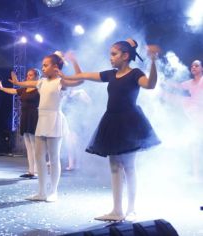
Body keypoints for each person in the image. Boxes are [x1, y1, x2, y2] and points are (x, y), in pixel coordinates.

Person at [59, 39, 161, 221]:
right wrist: (66, 69)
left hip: (129, 122)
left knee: (129, 167)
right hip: (112, 120)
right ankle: (117, 210)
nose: (110, 58)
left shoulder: (135, 73)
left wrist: (153, 61)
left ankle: (130, 209)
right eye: (110, 54)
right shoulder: (111, 74)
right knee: (115, 166)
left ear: (125, 55)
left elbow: (150, 84)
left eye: (114, 54)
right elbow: (82, 75)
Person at [9, 52, 83, 202]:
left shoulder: (61, 82)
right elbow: (28, 84)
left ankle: (53, 192)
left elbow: (80, 80)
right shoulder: (41, 82)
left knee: (54, 158)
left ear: (55, 67)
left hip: (54, 119)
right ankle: (41, 191)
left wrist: (74, 61)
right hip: (41, 119)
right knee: (39, 157)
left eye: (45, 65)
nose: (42, 68)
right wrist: (17, 82)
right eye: (42, 65)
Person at [162, 60, 203, 180]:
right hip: (195, 115)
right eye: (192, 66)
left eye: (196, 65)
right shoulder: (190, 83)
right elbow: (178, 86)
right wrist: (163, 80)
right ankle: (197, 175)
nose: (193, 67)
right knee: (195, 144)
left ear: (202, 68)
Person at [0, 69, 40, 178]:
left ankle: (37, 170)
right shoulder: (24, 89)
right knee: (29, 146)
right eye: (27, 75)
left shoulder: (39, 88)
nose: (28, 77)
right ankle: (31, 171)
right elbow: (13, 91)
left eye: (30, 75)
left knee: (35, 146)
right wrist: (1, 88)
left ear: (36, 77)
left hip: (34, 117)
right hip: (25, 117)